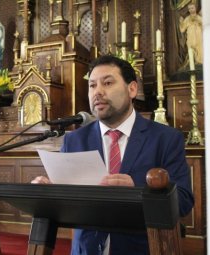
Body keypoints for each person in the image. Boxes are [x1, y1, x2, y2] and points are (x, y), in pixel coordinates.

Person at [31, 55, 194, 255]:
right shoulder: (75, 140)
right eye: (92, 86)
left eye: (107, 83)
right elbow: (67, 205)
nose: (97, 92)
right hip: (86, 250)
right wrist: (48, 194)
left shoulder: (166, 138)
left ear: (132, 89)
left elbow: (184, 201)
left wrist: (138, 190)